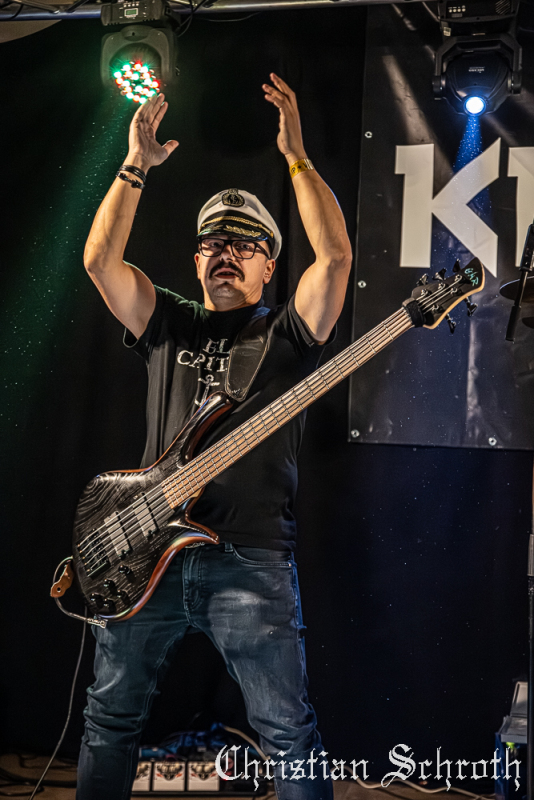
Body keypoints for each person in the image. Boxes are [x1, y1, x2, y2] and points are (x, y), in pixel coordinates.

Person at [79, 73, 352, 800]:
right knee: (109, 721)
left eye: (245, 242)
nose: (225, 250)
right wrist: (135, 164)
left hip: (249, 559)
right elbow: (100, 263)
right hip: (147, 557)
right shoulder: (168, 321)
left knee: (287, 730)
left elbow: (335, 260)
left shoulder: (288, 332)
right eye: (212, 242)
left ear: (270, 264)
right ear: (196, 259)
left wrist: (296, 157)